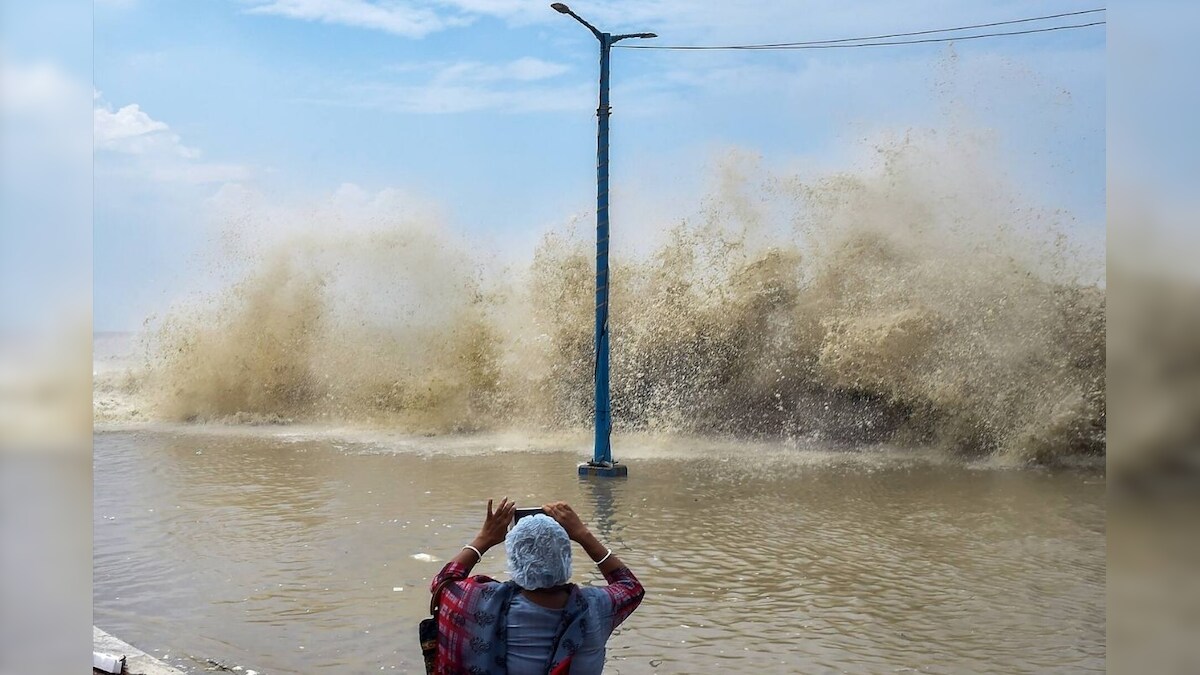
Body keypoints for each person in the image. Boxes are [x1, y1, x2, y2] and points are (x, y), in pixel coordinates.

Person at [429, 498, 644, 674]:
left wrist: (484, 539)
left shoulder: (476, 602)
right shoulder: (596, 608)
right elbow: (630, 586)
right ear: (565, 556)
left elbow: (444, 582)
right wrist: (583, 535)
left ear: (514, 559)